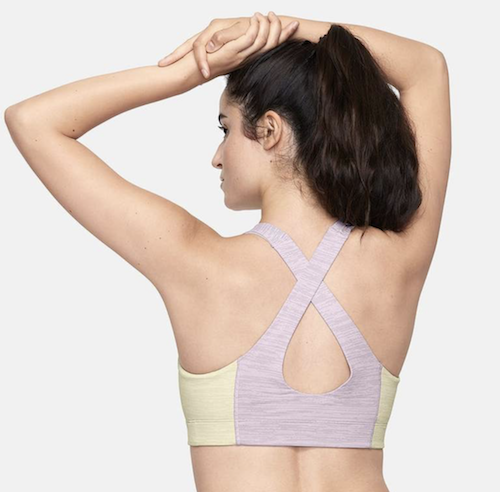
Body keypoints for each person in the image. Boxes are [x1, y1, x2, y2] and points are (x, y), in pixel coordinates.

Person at [5, 11, 451, 492]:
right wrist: (284, 26)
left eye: (225, 128)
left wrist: (189, 72)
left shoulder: (195, 261)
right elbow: (425, 67)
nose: (217, 157)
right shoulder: (396, 262)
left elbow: (34, 123)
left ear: (270, 130)